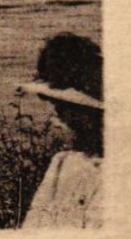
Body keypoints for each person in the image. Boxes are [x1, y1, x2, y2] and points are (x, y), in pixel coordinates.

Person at [20, 32, 103, 228]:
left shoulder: (109, 176)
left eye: (62, 111)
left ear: (88, 115)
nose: (54, 121)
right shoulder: (61, 163)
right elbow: (31, 227)